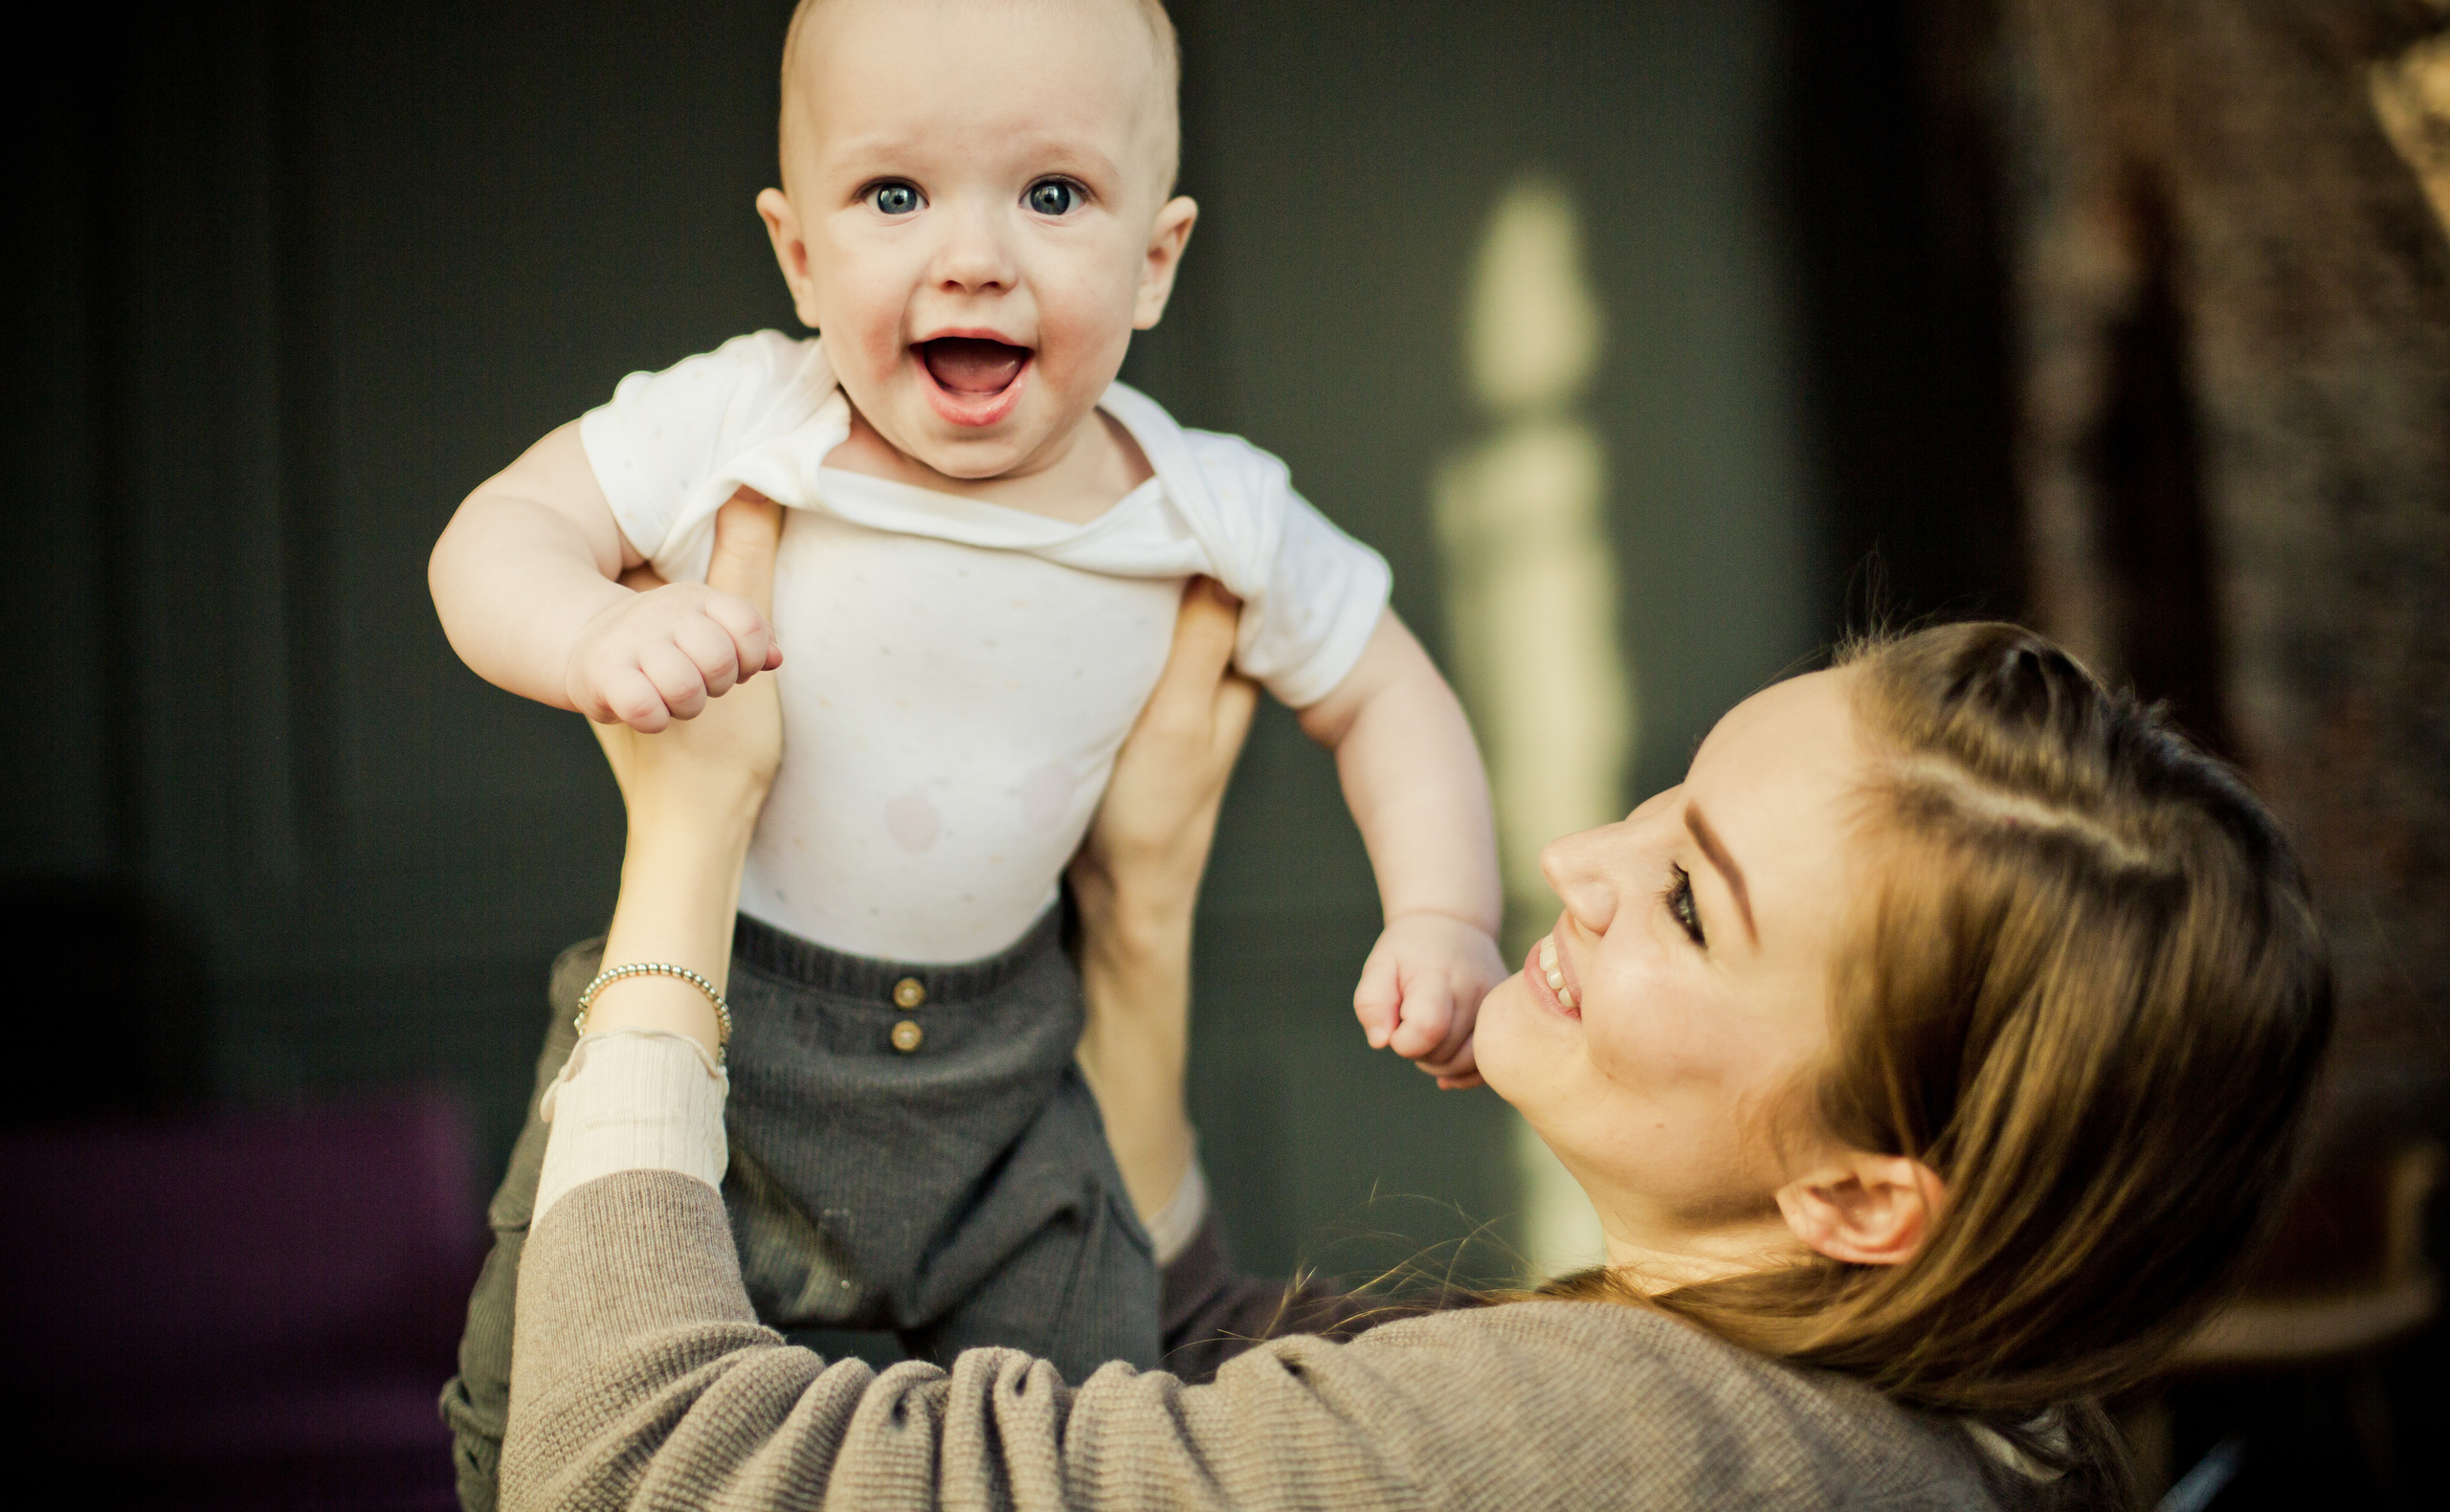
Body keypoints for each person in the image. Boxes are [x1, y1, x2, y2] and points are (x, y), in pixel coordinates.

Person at [495, 490, 2332, 1511]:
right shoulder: (1914, 1430)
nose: (1571, 859)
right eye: (1663, 805)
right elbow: (1221, 1398)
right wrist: (1140, 926)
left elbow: (641, 1470)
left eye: (1687, 902)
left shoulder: (1638, 1457)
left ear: (1860, 1196)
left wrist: (690, 852)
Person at [430, 0, 1504, 1500]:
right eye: (895, 192)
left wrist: (1446, 916)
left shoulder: (1200, 500)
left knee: (1080, 1419)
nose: (974, 255)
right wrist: (591, 634)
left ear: (1157, 261)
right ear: (797, 249)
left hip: (1017, 1075)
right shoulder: (744, 421)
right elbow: (489, 539)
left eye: (1052, 193)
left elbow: (1389, 694)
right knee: (553, 1410)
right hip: (733, 1016)